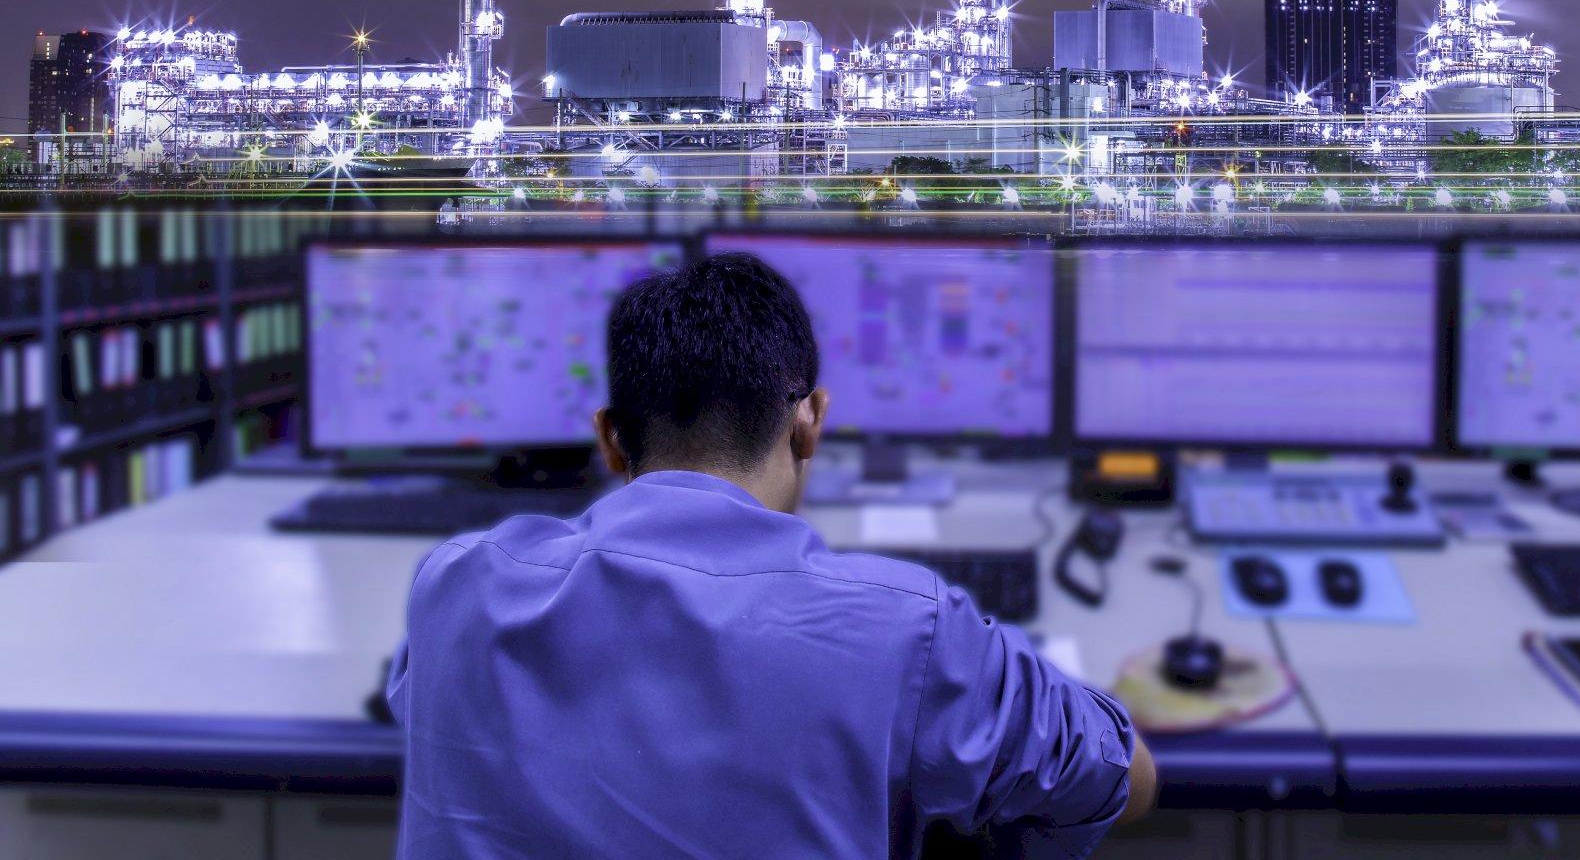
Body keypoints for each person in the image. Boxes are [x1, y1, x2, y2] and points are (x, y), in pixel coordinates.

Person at [388, 252, 1155, 858]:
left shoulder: (453, 586)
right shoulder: (905, 632)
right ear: (808, 424)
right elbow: (1122, 778)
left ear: (612, 439)